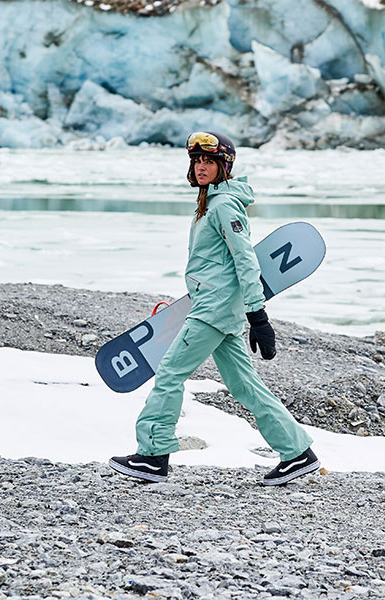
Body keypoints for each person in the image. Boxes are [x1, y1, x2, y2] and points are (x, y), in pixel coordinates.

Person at [109, 131, 320, 486]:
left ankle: (153, 456)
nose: (201, 166)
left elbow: (245, 260)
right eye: (197, 161)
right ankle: (298, 453)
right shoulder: (209, 202)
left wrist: (258, 316)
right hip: (218, 306)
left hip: (214, 310)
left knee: (171, 373)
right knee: (244, 385)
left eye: (209, 161)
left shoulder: (223, 206)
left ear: (224, 167)